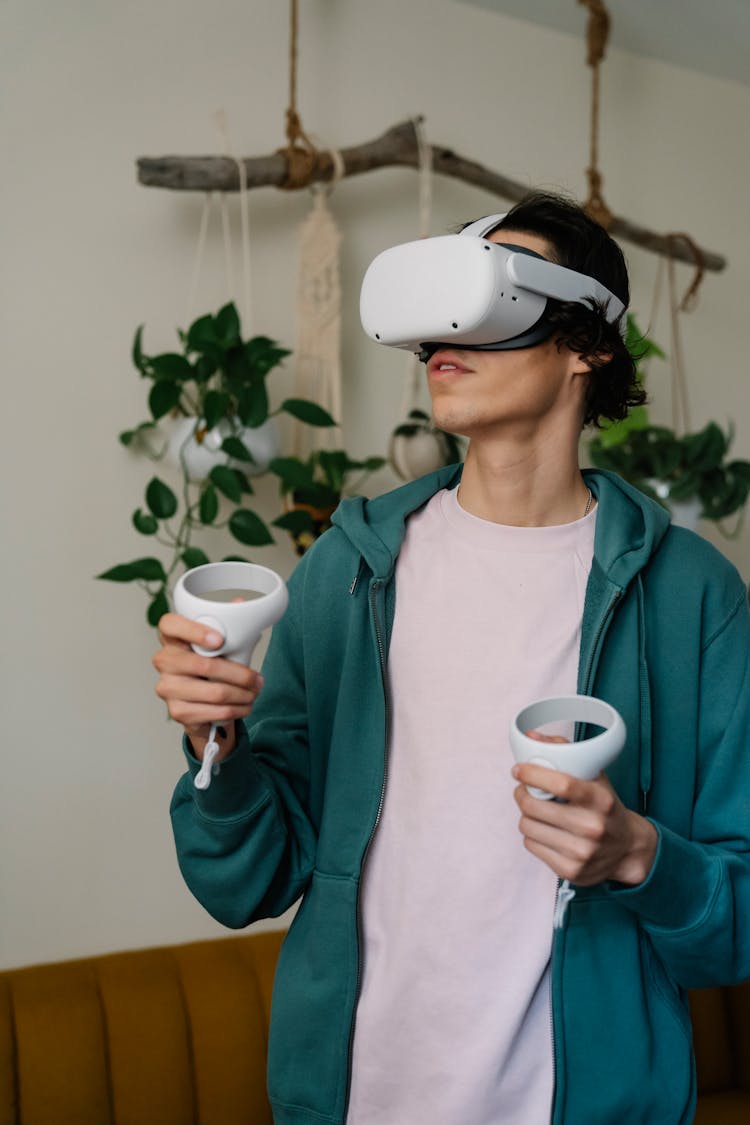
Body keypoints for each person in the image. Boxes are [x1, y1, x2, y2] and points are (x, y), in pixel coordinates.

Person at [153, 192, 750, 1125]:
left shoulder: (693, 597)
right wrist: (214, 743)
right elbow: (249, 881)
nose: (443, 339)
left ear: (589, 343)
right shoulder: (350, 568)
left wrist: (638, 853)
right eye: (433, 318)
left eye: (489, 301)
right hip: (356, 1099)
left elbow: (735, 927)